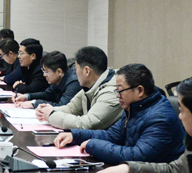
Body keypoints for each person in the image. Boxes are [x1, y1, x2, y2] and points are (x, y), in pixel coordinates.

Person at [53, 63, 184, 164]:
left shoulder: (160, 118)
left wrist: (92, 145)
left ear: (139, 91)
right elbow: (112, 135)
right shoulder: (133, 108)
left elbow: (136, 156)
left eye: (120, 91)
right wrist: (75, 135)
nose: (117, 96)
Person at [32, 46, 121, 129]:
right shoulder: (90, 86)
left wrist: (51, 115)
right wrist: (48, 110)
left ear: (87, 71)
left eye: (76, 68)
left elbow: (88, 124)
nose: (75, 72)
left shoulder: (111, 92)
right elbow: (71, 109)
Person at [15, 51, 81, 108]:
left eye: (46, 72)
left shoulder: (74, 83)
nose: (44, 75)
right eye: (43, 71)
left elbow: (62, 106)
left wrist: (35, 103)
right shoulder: (58, 79)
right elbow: (46, 94)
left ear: (59, 72)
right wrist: (27, 96)